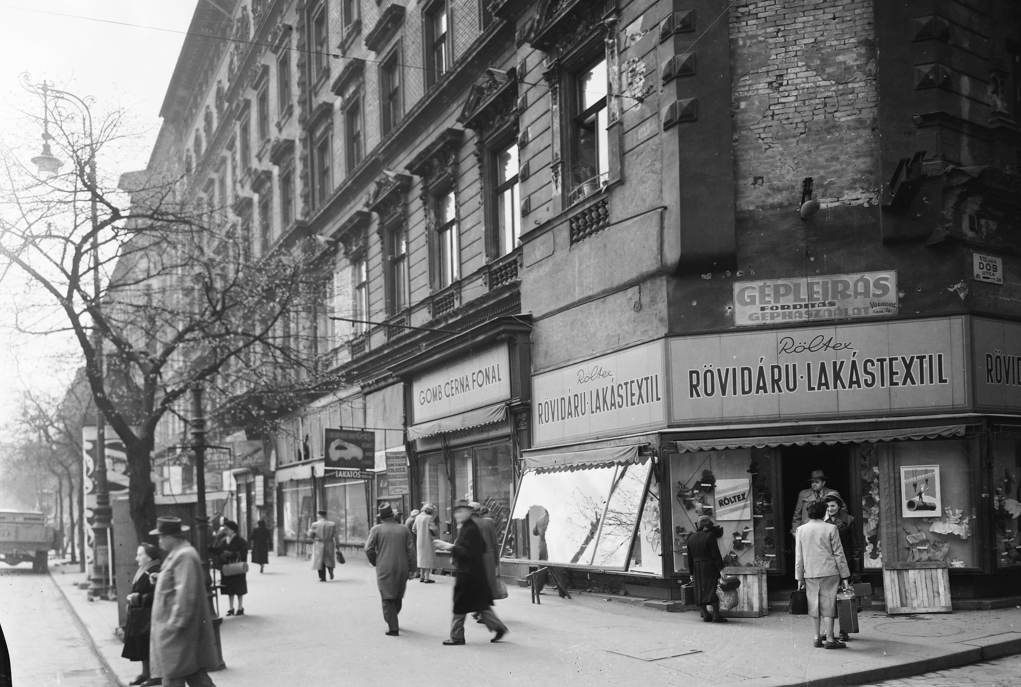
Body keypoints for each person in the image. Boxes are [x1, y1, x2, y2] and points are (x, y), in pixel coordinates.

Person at [149, 516, 219, 687]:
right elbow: (180, 583)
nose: (159, 541)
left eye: (161, 537)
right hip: (177, 631)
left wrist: (174, 625)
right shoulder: (179, 554)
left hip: (176, 632)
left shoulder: (184, 556)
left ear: (171, 537)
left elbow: (186, 592)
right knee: (192, 673)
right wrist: (161, 578)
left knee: (173, 675)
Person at [434, 500, 508, 645]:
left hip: (468, 574)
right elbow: (482, 547)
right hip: (474, 573)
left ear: (469, 513)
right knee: (481, 604)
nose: (457, 515)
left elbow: (470, 552)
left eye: (460, 512)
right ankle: (498, 628)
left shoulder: (470, 529)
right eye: (456, 512)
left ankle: (457, 636)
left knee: (460, 604)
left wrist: (449, 547)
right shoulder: (468, 527)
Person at [795, 500, 851, 650]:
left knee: (813, 604)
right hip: (830, 571)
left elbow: (799, 556)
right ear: (824, 512)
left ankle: (816, 637)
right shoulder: (831, 528)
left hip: (810, 572)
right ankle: (831, 639)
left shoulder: (801, 530)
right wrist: (845, 576)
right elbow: (839, 554)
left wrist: (799, 577)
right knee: (829, 604)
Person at [364, 504, 417, 636]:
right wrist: (413, 569)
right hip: (402, 566)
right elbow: (411, 551)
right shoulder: (404, 529)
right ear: (393, 516)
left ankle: (393, 626)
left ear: (381, 518)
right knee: (397, 594)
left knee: (387, 597)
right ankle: (394, 618)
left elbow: (368, 549)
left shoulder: (376, 529)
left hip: (384, 567)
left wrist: (375, 561)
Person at [122, 542, 162, 686]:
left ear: (150, 557)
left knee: (149, 644)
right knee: (142, 643)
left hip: (150, 613)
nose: (136, 558)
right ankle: (146, 673)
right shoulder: (145, 569)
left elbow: (157, 594)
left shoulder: (154, 571)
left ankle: (155, 675)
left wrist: (138, 599)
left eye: (140, 555)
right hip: (141, 613)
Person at [824, 494, 862, 641]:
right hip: (827, 565)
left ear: (839, 506)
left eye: (833, 505)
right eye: (827, 506)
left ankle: (844, 630)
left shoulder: (849, 520)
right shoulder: (822, 521)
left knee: (843, 598)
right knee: (828, 600)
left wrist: (857, 570)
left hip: (845, 563)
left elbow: (856, 545)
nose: (830, 508)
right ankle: (827, 631)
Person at [687, 515, 728, 623]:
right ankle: (716, 615)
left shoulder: (691, 538)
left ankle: (705, 615)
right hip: (710, 566)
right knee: (712, 589)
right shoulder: (710, 536)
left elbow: (689, 558)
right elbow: (716, 554)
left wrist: (691, 573)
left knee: (699, 590)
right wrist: (721, 569)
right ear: (708, 526)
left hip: (697, 567)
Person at [471, 503, 500, 623]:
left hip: (473, 557)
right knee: (487, 584)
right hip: (488, 557)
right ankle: (482, 612)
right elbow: (495, 542)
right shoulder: (489, 522)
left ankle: (480, 610)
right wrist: (496, 561)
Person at [214, 519, 248, 616]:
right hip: (227, 568)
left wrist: (232, 554)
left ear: (233, 530)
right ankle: (231, 607)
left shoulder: (240, 540)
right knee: (229, 589)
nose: (225, 531)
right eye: (224, 529)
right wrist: (222, 556)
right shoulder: (223, 540)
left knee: (238, 588)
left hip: (237, 568)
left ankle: (240, 607)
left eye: (227, 529)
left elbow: (244, 552)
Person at [791, 470, 841, 535]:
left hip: (826, 531)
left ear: (823, 483)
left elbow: (841, 511)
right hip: (807, 531)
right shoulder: (803, 494)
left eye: (816, 482)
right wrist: (795, 530)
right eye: (812, 482)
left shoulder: (832, 493)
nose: (813, 484)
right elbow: (797, 515)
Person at [308, 510, 339, 582]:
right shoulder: (332, 524)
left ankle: (322, 577)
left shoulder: (315, 524)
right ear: (325, 515)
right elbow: (336, 536)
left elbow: (310, 535)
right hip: (329, 543)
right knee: (329, 558)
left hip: (319, 543)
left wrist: (311, 535)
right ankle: (330, 569)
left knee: (319, 560)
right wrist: (338, 546)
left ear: (319, 515)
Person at [413, 505, 439, 583]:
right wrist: (435, 533)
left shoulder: (417, 517)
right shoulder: (429, 518)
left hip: (419, 540)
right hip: (427, 540)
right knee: (428, 558)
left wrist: (419, 534)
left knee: (421, 558)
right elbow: (434, 529)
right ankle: (427, 578)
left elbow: (413, 529)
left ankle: (422, 576)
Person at [404, 509, 420, 579]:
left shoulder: (408, 520)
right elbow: (415, 530)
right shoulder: (413, 520)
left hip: (408, 539)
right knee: (415, 555)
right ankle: (416, 572)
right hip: (413, 539)